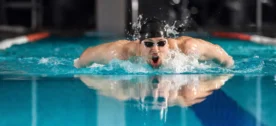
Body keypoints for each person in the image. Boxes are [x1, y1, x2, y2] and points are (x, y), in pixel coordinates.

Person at [74, 18, 234, 68]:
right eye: (149, 44)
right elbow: (83, 58)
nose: (155, 50)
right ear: (139, 43)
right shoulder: (121, 52)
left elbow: (226, 59)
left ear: (168, 42)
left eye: (161, 43)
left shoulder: (187, 49)